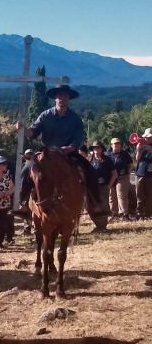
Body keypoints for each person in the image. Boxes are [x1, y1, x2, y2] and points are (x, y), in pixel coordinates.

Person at [14, 84, 100, 217]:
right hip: (47, 153)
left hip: (68, 153)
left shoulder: (75, 118)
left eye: (65, 96)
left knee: (90, 170)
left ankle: (95, 204)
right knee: (27, 168)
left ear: (68, 98)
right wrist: (23, 128)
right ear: (55, 98)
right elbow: (32, 132)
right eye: (59, 96)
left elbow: (78, 138)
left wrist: (70, 147)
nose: (62, 98)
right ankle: (22, 203)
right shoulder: (45, 115)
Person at [89, 141, 117, 232]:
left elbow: (114, 174)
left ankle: (103, 227)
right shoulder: (89, 160)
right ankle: (98, 225)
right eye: (94, 148)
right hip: (92, 188)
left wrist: (109, 186)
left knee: (103, 206)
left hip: (103, 186)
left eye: (98, 147)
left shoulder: (107, 160)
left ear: (102, 149)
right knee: (92, 206)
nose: (96, 149)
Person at [108, 137, 133, 220]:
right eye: (115, 144)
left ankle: (124, 214)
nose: (116, 145)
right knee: (112, 196)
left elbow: (130, 163)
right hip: (111, 177)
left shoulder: (125, 154)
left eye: (118, 144)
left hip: (122, 177)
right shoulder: (108, 155)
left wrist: (128, 172)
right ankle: (113, 213)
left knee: (121, 195)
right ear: (111, 145)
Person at [135, 128, 152, 219]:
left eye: (149, 137)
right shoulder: (140, 145)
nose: (147, 139)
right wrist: (138, 149)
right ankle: (139, 213)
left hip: (150, 174)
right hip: (140, 173)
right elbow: (137, 159)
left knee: (150, 195)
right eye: (146, 137)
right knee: (139, 194)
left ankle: (148, 213)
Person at [19, 149, 36, 234]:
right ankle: (27, 228)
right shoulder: (23, 165)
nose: (29, 156)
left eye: (30, 154)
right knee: (26, 210)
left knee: (33, 210)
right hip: (24, 191)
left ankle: (33, 229)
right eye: (28, 154)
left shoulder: (34, 166)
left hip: (32, 191)